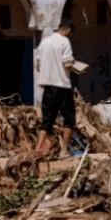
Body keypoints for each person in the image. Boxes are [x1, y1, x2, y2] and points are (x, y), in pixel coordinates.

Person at [34, 19, 76, 159]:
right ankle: (64, 151)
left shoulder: (44, 42)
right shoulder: (64, 41)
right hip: (62, 85)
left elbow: (38, 65)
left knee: (47, 120)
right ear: (68, 30)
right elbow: (67, 63)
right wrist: (75, 66)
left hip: (48, 86)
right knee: (69, 119)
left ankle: (37, 150)